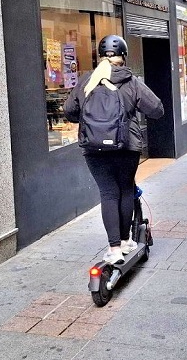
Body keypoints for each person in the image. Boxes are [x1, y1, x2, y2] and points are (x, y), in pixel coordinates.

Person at [64, 35, 164, 264]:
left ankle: (114, 249)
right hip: (126, 146)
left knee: (108, 193)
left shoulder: (86, 80)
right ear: (123, 56)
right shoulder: (131, 81)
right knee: (125, 190)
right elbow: (157, 109)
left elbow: (69, 111)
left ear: (100, 56)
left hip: (93, 147)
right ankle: (126, 240)